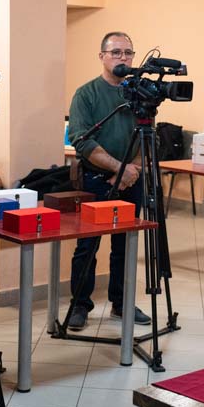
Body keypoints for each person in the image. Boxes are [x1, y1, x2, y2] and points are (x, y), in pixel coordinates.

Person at [63, 31, 151, 332]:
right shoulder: (86, 94)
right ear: (102, 56)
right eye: (116, 52)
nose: (122, 58)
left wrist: (131, 171)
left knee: (125, 245)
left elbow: (146, 137)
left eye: (128, 52)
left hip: (131, 181)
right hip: (96, 181)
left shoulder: (139, 94)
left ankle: (122, 303)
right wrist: (118, 169)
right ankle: (79, 305)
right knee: (87, 246)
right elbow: (82, 141)